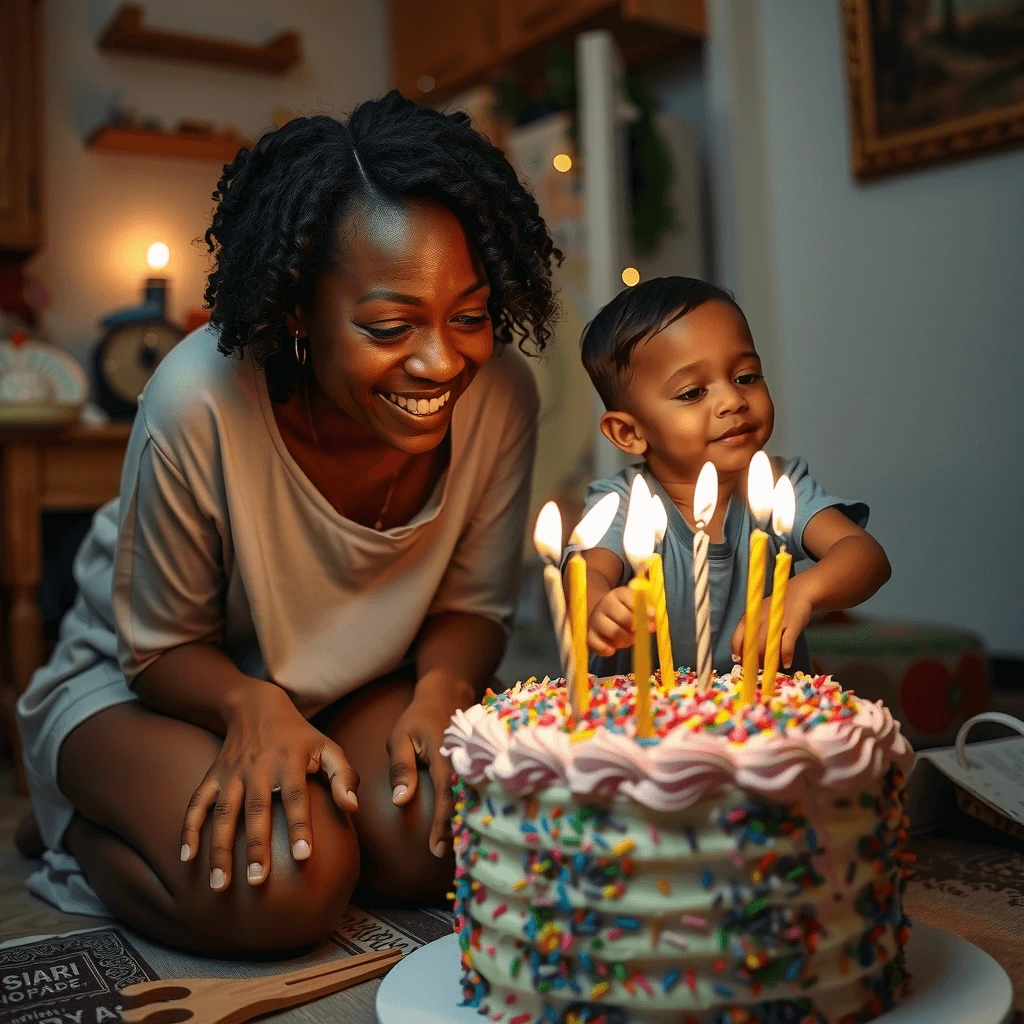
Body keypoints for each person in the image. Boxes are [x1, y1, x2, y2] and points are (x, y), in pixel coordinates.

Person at [16, 91, 560, 955]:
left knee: (437, 839)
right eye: (389, 325)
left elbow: (474, 607)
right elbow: (157, 649)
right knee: (284, 885)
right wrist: (250, 704)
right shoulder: (199, 399)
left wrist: (442, 691)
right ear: (301, 311)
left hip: (350, 691)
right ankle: (73, 831)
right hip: (150, 689)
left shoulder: (499, 398)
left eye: (470, 316)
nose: (441, 360)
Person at [570, 276, 890, 677]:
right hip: (638, 727)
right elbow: (586, 573)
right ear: (629, 433)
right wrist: (601, 608)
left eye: (746, 377)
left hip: (759, 721)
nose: (732, 400)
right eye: (692, 393)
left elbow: (866, 556)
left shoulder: (777, 485)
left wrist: (800, 593)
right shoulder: (622, 501)